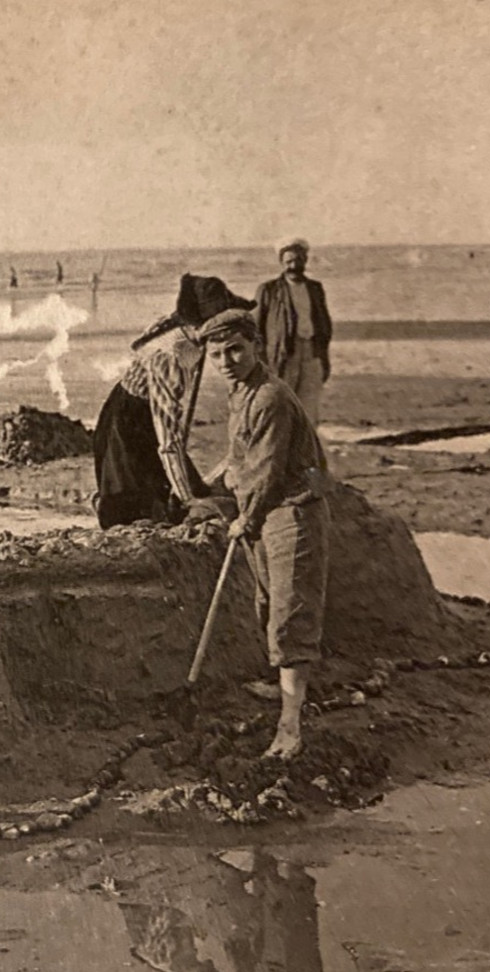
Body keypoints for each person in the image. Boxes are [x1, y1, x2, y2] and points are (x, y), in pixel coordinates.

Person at [196, 309, 330, 760]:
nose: (227, 360)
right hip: (265, 509)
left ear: (255, 345)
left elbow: (269, 470)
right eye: (217, 354)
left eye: (235, 349)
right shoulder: (241, 394)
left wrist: (244, 518)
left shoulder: (270, 396)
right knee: (268, 603)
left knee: (290, 613)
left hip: (291, 511)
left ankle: (291, 726)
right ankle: (283, 693)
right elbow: (241, 458)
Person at [92, 275, 253, 528]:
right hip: (128, 419)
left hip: (139, 409)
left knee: (167, 488)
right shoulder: (171, 356)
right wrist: (188, 499)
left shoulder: (190, 330)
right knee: (132, 501)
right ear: (199, 322)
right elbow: (168, 441)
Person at [253, 238, 333, 424]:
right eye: (289, 261)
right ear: (282, 263)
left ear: (305, 260)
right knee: (281, 406)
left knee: (309, 409)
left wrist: (324, 358)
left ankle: (304, 450)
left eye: (298, 260)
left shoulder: (315, 288)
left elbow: (324, 325)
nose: (293, 266)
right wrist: (261, 362)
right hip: (282, 355)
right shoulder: (268, 290)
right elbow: (255, 329)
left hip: (311, 352)